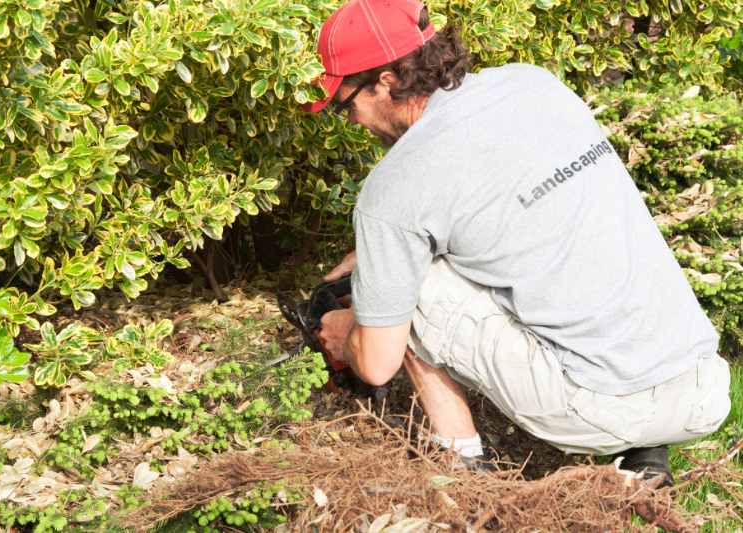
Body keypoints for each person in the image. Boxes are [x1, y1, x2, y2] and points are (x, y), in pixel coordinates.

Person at [304, 0, 731, 482]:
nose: (352, 121)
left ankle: (460, 465)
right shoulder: (532, 84)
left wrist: (351, 330)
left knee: (411, 294)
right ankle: (647, 456)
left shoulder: (394, 188)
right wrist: (379, 250)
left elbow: (379, 366)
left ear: (386, 80)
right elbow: (508, 205)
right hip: (704, 388)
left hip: (597, 410)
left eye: (345, 105)